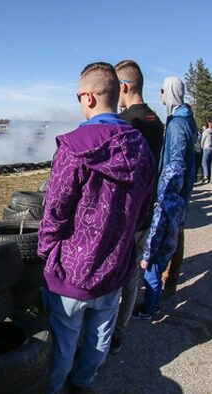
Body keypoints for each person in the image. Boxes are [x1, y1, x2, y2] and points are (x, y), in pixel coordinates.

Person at [38, 62, 155, 394]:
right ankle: (84, 383)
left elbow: (55, 210)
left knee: (63, 339)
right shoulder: (141, 147)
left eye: (78, 95)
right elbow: (145, 209)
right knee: (100, 337)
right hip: (114, 266)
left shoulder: (75, 146)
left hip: (70, 271)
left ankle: (56, 387)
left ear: (88, 97)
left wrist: (47, 254)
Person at [110, 60, 165, 353]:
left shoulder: (129, 122)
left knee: (117, 272)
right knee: (133, 275)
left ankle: (108, 334)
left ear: (124, 87)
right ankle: (121, 329)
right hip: (148, 207)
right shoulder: (155, 119)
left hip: (129, 212)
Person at [136, 76, 197, 305]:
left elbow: (176, 164)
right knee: (175, 234)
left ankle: (163, 287)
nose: (160, 94)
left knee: (167, 238)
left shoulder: (177, 125)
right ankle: (168, 281)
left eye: (162, 90)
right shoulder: (185, 119)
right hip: (181, 191)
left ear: (170, 92)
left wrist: (166, 194)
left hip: (173, 193)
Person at [134, 162, 186, 320]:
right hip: (171, 246)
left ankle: (148, 310)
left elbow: (155, 233)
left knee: (151, 278)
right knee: (157, 275)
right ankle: (155, 305)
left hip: (158, 249)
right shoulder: (180, 201)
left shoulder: (162, 205)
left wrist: (146, 256)